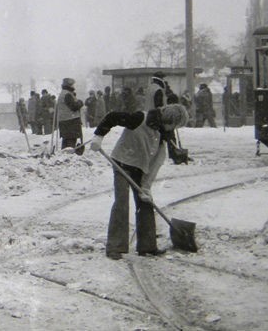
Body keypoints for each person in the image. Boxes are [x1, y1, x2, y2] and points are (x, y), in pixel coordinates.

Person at [90, 103, 189, 260]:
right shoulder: (139, 118)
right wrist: (98, 136)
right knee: (121, 202)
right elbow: (112, 117)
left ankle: (147, 246)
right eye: (175, 125)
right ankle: (115, 247)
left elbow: (156, 162)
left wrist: (146, 187)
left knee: (145, 204)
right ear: (168, 120)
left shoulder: (164, 134)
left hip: (140, 168)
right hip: (122, 162)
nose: (174, 129)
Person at [56, 78, 84, 151]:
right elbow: (74, 107)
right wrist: (80, 102)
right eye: (73, 84)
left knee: (66, 141)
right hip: (70, 121)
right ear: (70, 85)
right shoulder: (67, 94)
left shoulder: (63, 93)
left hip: (64, 121)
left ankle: (64, 156)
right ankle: (68, 157)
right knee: (71, 141)